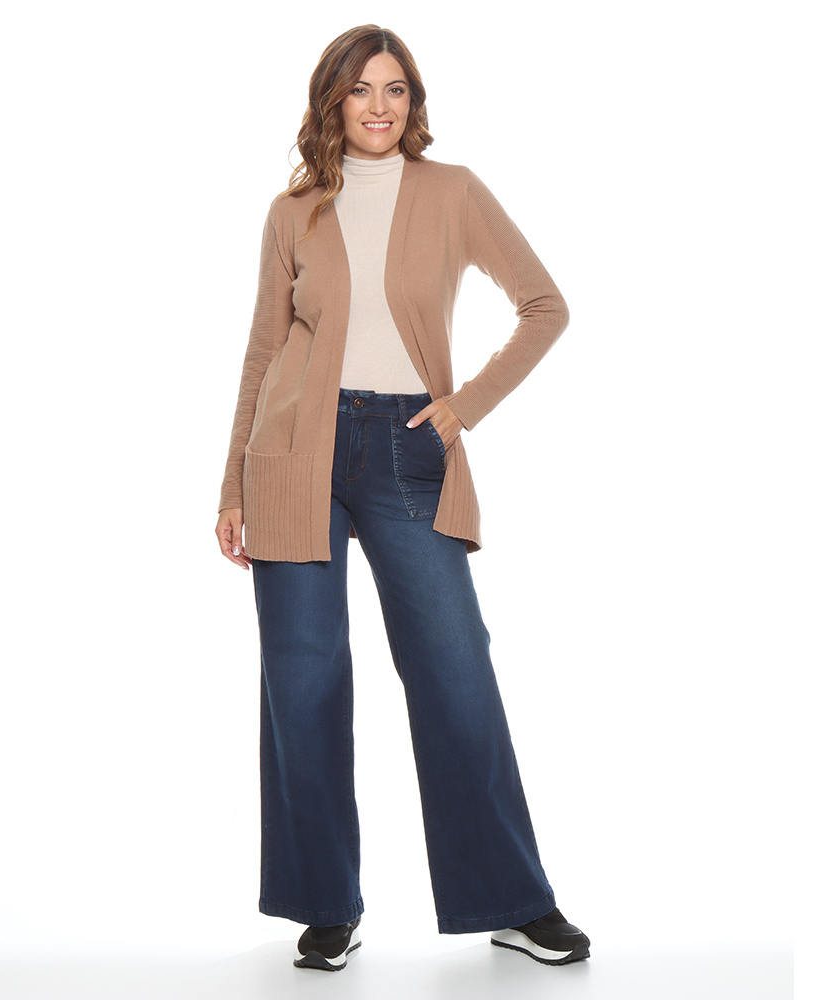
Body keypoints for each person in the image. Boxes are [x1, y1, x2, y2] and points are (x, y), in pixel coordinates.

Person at [215, 24, 590, 972]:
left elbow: (545, 306)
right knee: (302, 682)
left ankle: (512, 900)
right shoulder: (293, 210)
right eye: (360, 90)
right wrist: (231, 486)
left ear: (413, 101)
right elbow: (264, 350)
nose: (379, 107)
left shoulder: (452, 191)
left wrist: (463, 409)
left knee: (455, 671)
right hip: (291, 455)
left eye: (395, 89)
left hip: (407, 446)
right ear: (332, 102)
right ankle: (324, 904)